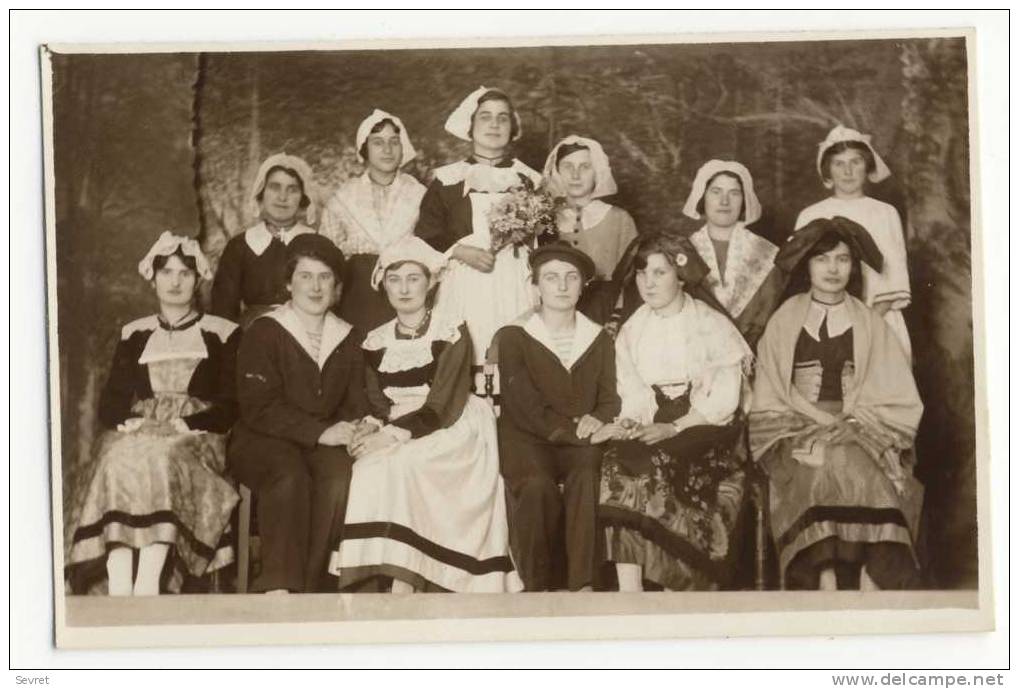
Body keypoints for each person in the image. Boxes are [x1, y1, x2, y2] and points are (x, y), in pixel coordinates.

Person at [329, 236, 521, 593]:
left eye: (413, 278)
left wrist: (393, 435)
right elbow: (376, 401)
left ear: (431, 282)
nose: (404, 289)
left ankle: (412, 576)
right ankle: (375, 577)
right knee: (367, 468)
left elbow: (444, 403)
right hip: (398, 423)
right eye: (394, 279)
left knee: (405, 463)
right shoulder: (375, 339)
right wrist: (372, 428)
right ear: (382, 284)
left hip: (451, 422)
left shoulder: (451, 330)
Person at [750, 216, 924, 590]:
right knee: (818, 466)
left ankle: (871, 575)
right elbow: (769, 389)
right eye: (822, 259)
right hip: (794, 424)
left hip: (858, 426)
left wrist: (853, 424)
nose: (832, 268)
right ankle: (821, 578)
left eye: (842, 259)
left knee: (861, 468)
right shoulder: (784, 318)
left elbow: (894, 391)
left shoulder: (869, 321)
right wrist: (809, 421)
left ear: (853, 267)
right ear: (807, 265)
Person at [65, 232, 240, 595]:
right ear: (153, 276)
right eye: (167, 272)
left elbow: (231, 403)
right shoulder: (135, 333)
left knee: (162, 456)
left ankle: (149, 578)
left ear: (198, 278)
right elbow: (111, 402)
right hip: (142, 429)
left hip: (197, 435)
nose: (175, 282)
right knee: (116, 454)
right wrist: (135, 422)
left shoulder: (221, 333)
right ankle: (118, 578)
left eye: (185, 274)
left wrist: (183, 423)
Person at [595, 232, 754, 591]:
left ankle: (676, 584)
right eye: (641, 274)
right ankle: (629, 588)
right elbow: (631, 388)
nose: (647, 283)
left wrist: (675, 428)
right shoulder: (633, 329)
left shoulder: (710, 324)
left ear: (681, 276)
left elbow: (725, 400)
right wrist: (634, 421)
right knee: (617, 462)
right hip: (656, 418)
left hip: (706, 423)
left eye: (659, 273)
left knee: (659, 461)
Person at [228, 234, 371, 593]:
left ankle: (312, 584)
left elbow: (355, 401)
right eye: (306, 276)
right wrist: (321, 433)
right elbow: (258, 407)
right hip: (263, 437)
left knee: (339, 477)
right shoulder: (265, 330)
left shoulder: (348, 337)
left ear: (337, 287)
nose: (315, 286)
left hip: (320, 442)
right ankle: (279, 584)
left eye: (325, 277)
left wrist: (357, 427)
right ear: (289, 282)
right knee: (289, 474)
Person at [496, 242, 620, 591]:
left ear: (583, 286)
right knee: (537, 487)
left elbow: (610, 398)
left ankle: (582, 582)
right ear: (535, 287)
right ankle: (537, 584)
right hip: (526, 436)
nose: (562, 286)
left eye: (571, 278)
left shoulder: (598, 339)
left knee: (586, 475)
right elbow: (524, 406)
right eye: (551, 278)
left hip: (580, 438)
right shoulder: (514, 336)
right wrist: (579, 433)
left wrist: (599, 418)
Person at [415, 86, 543, 370]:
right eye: (485, 117)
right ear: (470, 127)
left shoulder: (530, 180)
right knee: (465, 357)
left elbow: (545, 240)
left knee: (515, 357)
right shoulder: (447, 181)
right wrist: (460, 251)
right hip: (464, 283)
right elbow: (425, 236)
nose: (494, 124)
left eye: (503, 118)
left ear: (513, 128)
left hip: (515, 284)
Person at [794, 125, 912, 360]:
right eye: (839, 163)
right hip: (822, 321)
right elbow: (798, 278)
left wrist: (863, 325)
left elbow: (894, 277)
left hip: (878, 318)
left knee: (881, 387)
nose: (848, 171)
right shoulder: (810, 215)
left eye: (855, 162)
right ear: (827, 170)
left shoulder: (885, 213)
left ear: (867, 165)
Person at [319, 109, 427, 331]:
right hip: (357, 300)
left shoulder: (421, 194)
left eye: (394, 142)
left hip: (408, 297)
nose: (387, 150)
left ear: (402, 148)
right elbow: (327, 257)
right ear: (364, 149)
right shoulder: (343, 198)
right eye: (378, 142)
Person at [681, 159, 785, 349]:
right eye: (716, 192)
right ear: (702, 198)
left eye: (734, 193)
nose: (724, 201)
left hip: (756, 357)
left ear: (744, 200)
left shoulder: (767, 254)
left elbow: (772, 318)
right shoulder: (684, 252)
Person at [211, 152, 319, 328]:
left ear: (303, 197)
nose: (282, 197)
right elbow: (223, 313)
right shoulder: (240, 246)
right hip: (252, 336)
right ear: (261, 193)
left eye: (292, 189)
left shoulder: (316, 243)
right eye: (274, 187)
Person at [541, 135, 638, 324]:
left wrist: (616, 319)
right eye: (568, 167)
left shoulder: (619, 219)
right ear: (556, 172)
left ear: (597, 173)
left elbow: (631, 279)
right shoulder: (544, 220)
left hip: (607, 316)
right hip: (553, 319)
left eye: (585, 167)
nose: (575, 175)